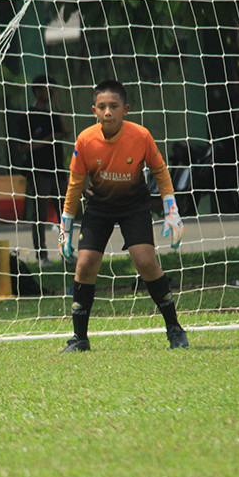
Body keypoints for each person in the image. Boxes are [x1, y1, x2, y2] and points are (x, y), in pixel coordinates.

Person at [57, 79, 188, 352]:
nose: (108, 112)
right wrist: (65, 225)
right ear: (94, 110)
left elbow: (160, 171)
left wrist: (171, 209)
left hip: (134, 206)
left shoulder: (140, 136)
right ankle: (79, 337)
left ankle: (174, 328)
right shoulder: (85, 140)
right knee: (85, 265)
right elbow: (75, 184)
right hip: (99, 208)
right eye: (102, 107)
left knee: (145, 262)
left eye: (113, 106)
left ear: (125, 109)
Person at [16, 75, 70, 264]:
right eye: (48, 89)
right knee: (40, 214)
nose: (51, 93)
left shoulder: (53, 114)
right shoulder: (28, 116)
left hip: (58, 170)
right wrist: (47, 139)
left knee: (64, 212)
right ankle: (42, 255)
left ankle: (66, 251)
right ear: (38, 91)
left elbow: (67, 131)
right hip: (39, 172)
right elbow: (23, 146)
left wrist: (58, 105)